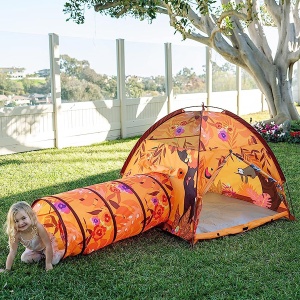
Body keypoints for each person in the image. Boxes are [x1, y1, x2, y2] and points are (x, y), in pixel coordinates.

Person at [0, 201, 63, 272]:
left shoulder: (37, 227)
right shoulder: (16, 234)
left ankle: (61, 252)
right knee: (24, 259)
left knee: (54, 261)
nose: (21, 223)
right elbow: (12, 252)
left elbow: (48, 245)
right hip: (34, 249)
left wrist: (48, 264)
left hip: (47, 246)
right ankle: (44, 255)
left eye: (23, 218)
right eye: (16, 221)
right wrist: (7, 269)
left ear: (31, 216)